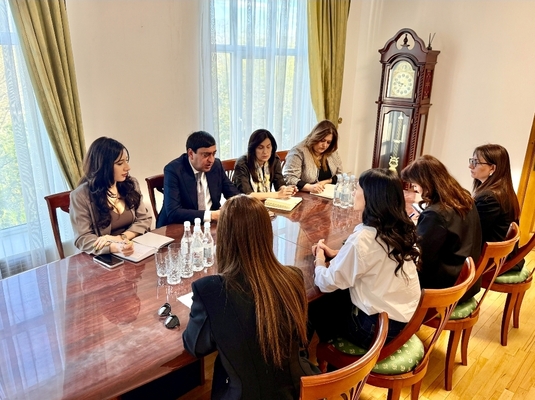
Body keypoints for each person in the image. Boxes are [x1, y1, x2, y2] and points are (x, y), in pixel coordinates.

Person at [183, 195, 317, 399]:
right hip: (300, 390)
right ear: (267, 233)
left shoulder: (209, 290)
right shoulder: (293, 277)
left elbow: (195, 347)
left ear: (224, 238)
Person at [311, 168, 421, 348]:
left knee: (318, 303)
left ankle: (329, 357)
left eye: (357, 188)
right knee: (340, 292)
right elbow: (375, 258)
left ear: (371, 197)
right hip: (405, 320)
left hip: (377, 330)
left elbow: (326, 282)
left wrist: (320, 260)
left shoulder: (365, 238)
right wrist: (340, 254)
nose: (353, 193)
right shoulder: (401, 228)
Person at [401, 154, 482, 300]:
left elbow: (422, 257)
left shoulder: (435, 214)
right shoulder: (464, 197)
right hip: (468, 281)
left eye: (415, 185)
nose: (415, 189)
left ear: (426, 183)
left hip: (446, 288)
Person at [70, 137, 151, 256]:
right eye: (120, 163)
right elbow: (83, 238)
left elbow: (144, 219)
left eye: (126, 161)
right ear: (103, 166)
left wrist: (120, 238)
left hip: (132, 248)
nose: (127, 167)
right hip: (102, 256)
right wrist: (115, 247)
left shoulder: (131, 184)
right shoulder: (80, 195)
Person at [157, 131, 240, 227]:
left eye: (213, 154)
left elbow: (233, 194)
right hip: (178, 227)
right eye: (206, 155)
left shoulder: (216, 165)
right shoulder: (174, 170)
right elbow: (173, 212)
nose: (211, 160)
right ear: (191, 153)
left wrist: (241, 203)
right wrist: (212, 215)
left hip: (209, 226)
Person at [470, 144, 523, 271]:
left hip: (494, 261)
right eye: (471, 161)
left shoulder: (490, 198)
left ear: (492, 168)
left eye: (476, 162)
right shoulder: (501, 191)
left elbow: (473, 231)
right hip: (499, 255)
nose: (470, 166)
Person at [232, 129, 296, 200]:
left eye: (268, 147)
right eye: (260, 148)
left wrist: (286, 190)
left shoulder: (274, 159)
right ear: (253, 149)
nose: (265, 152)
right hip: (247, 204)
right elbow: (247, 194)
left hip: (267, 202)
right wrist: (277, 194)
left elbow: (279, 182)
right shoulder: (242, 163)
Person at [283, 119, 343, 194]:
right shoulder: (298, 151)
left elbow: (340, 175)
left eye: (328, 142)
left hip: (325, 194)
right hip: (303, 195)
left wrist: (326, 182)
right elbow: (289, 178)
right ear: (315, 137)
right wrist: (310, 187)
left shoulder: (332, 152)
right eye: (322, 140)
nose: (324, 145)